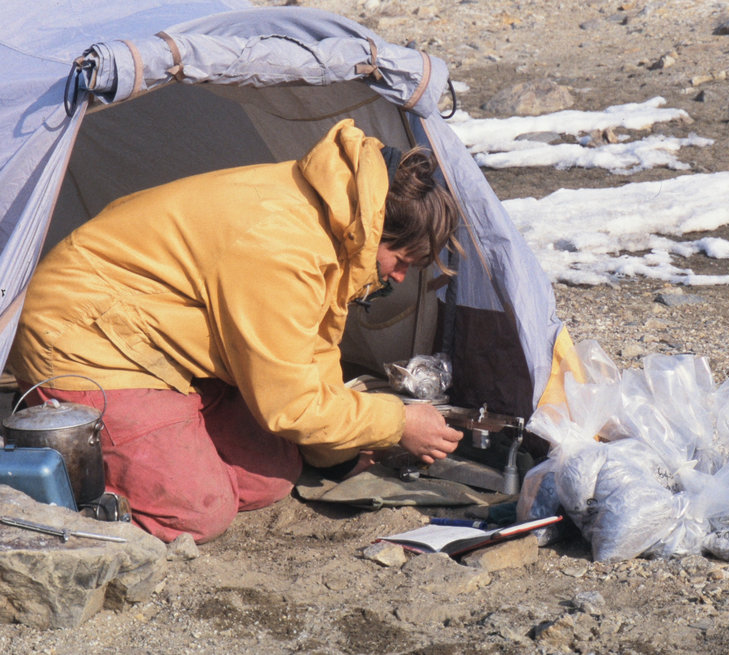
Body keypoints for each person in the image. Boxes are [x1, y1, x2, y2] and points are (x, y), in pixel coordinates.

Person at [7, 119, 464, 543]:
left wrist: (346, 452)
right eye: (401, 260)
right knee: (196, 512)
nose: (399, 276)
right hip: (83, 336)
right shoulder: (282, 247)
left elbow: (313, 350)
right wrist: (397, 423)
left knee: (272, 474)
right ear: (378, 228)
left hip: (159, 343)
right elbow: (291, 405)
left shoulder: (338, 219)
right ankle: (44, 465)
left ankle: (156, 441)